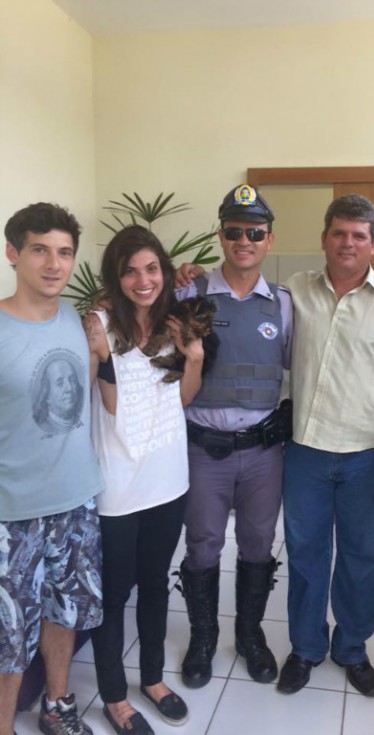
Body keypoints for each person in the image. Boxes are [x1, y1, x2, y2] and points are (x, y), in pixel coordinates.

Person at [275, 194, 374, 698]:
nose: (348, 243)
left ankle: (353, 649)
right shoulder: (294, 291)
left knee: (361, 556)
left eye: (359, 235)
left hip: (366, 453)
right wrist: (187, 276)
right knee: (305, 554)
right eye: (339, 233)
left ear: (373, 243)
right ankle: (306, 648)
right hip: (305, 451)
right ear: (324, 239)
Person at [83, 226, 204, 735]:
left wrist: (193, 358)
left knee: (155, 583)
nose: (143, 279)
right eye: (131, 269)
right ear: (117, 274)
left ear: (164, 272)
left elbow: (182, 399)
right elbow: (102, 403)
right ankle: (114, 695)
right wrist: (101, 353)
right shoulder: (98, 323)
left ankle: (152, 679)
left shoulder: (174, 323)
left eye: (151, 268)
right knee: (114, 592)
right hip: (117, 482)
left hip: (168, 477)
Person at [174, 184, 292, 689]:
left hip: (263, 451)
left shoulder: (283, 305)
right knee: (201, 545)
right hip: (204, 449)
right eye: (234, 231)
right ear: (220, 235)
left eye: (255, 233)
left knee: (259, 544)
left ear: (269, 239)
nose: (244, 240)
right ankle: (203, 638)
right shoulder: (187, 295)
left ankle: (249, 635)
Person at [1, 202, 104, 735]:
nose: (54, 264)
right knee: (8, 633)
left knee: (65, 613)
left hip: (77, 500)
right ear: (13, 253)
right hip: (11, 513)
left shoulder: (75, 318)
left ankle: (59, 705)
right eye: (40, 249)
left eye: (65, 253)